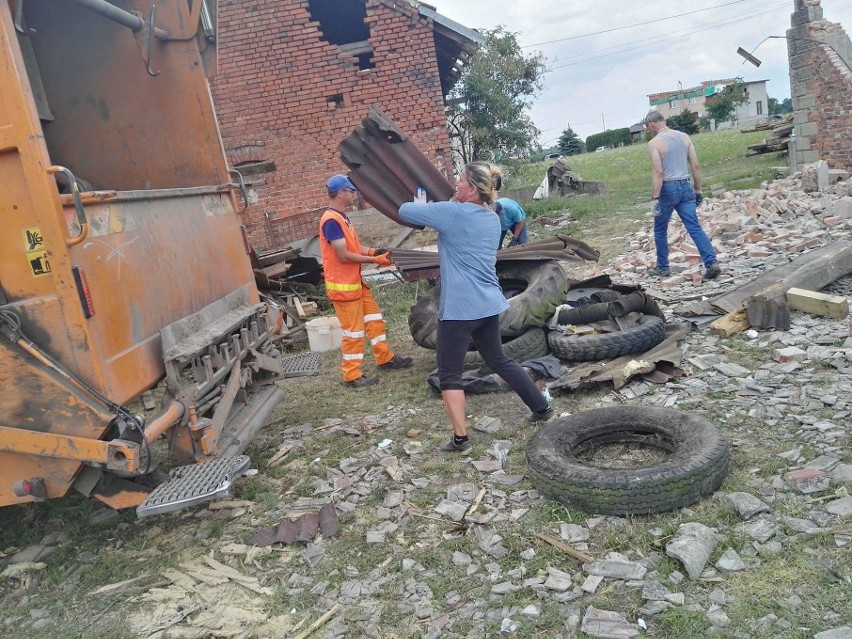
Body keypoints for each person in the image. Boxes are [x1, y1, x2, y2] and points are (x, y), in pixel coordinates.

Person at [398, 162, 553, 454]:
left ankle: (460, 440)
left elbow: (404, 211)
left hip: (459, 309)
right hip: (488, 304)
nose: (455, 184)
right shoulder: (491, 217)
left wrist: (422, 205)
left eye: (459, 180)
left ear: (471, 189)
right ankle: (542, 408)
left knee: (450, 375)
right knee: (498, 360)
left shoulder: (452, 212)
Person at [319, 174, 412, 388]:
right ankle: (352, 376)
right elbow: (342, 255)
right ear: (340, 193)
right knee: (353, 333)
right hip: (344, 289)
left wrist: (374, 251)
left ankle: (384, 358)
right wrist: (373, 259)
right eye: (351, 191)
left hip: (356, 285)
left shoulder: (342, 217)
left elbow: (353, 248)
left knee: (375, 321)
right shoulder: (331, 220)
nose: (355, 195)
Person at [644, 110, 721, 280]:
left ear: (651, 124)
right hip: (686, 187)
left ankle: (663, 268)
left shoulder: (654, 143)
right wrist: (698, 190)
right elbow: (696, 166)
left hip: (667, 190)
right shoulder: (684, 137)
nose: (648, 132)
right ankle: (711, 263)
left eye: (647, 128)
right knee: (694, 227)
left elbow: (658, 172)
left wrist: (655, 199)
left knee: (660, 229)